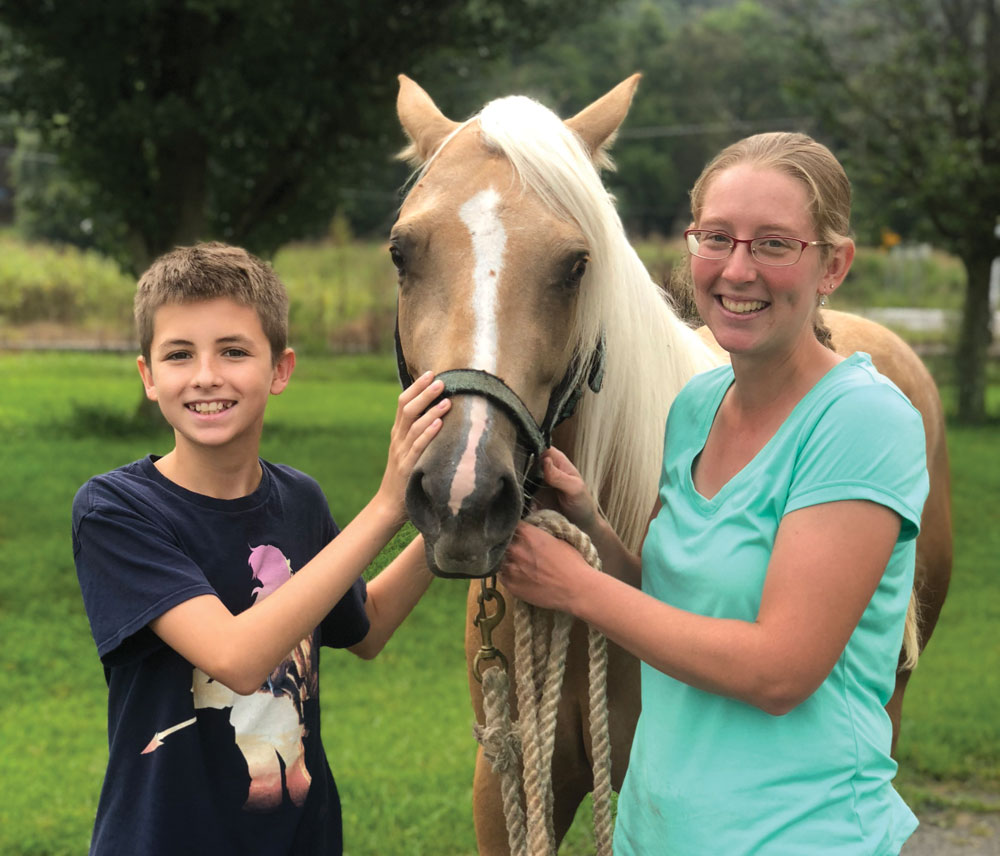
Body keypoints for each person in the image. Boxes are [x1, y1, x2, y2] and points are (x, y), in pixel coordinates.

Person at [500, 133, 929, 855]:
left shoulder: (862, 420)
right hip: (657, 832)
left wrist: (579, 589)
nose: (737, 269)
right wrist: (591, 523)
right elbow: (671, 605)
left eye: (773, 245)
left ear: (833, 265)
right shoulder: (698, 406)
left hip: (800, 837)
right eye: (717, 238)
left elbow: (778, 670)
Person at [71, 242, 449, 856]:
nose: (206, 376)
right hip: (166, 838)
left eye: (233, 351)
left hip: (302, 837)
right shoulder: (116, 510)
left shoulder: (298, 499)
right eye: (179, 354)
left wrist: (445, 519)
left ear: (280, 369)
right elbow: (237, 659)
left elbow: (368, 627)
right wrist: (387, 505)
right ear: (148, 376)